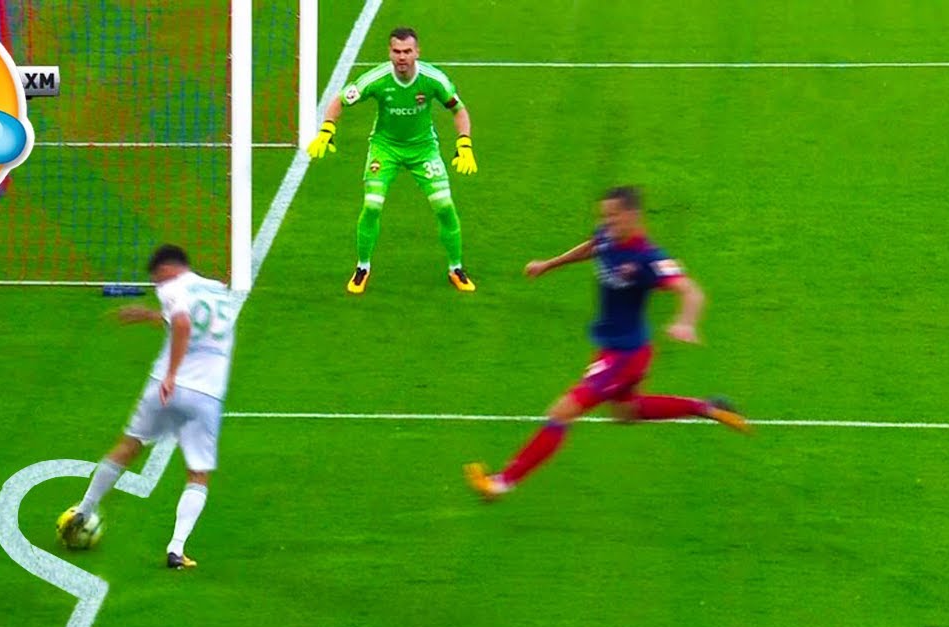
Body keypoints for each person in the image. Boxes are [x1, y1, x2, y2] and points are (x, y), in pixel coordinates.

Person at [465, 186, 751, 500]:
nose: (607, 222)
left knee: (561, 412)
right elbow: (593, 247)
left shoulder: (648, 257)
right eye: (604, 216)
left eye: (614, 216)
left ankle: (502, 482)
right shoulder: (607, 236)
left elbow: (691, 291)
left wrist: (685, 322)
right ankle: (706, 407)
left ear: (633, 215)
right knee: (626, 412)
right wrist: (549, 264)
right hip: (618, 349)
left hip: (625, 356)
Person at [58, 244, 241, 568]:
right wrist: (150, 316)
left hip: (166, 386)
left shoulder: (172, 286)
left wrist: (171, 373)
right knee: (197, 474)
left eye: (156, 278)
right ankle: (176, 549)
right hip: (207, 393)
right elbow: (195, 323)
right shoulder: (217, 289)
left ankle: (83, 511)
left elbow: (182, 323)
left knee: (129, 446)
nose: (158, 285)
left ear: (166, 269)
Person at [306, 26, 478, 294]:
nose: (402, 57)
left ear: (417, 52)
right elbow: (339, 100)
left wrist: (464, 144)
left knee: (445, 207)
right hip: (385, 148)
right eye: (397, 51)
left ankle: (455, 268)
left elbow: (459, 110)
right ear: (390, 52)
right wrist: (327, 130)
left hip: (423, 150)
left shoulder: (433, 79)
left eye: (407, 51)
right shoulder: (377, 78)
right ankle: (362, 267)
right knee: (372, 206)